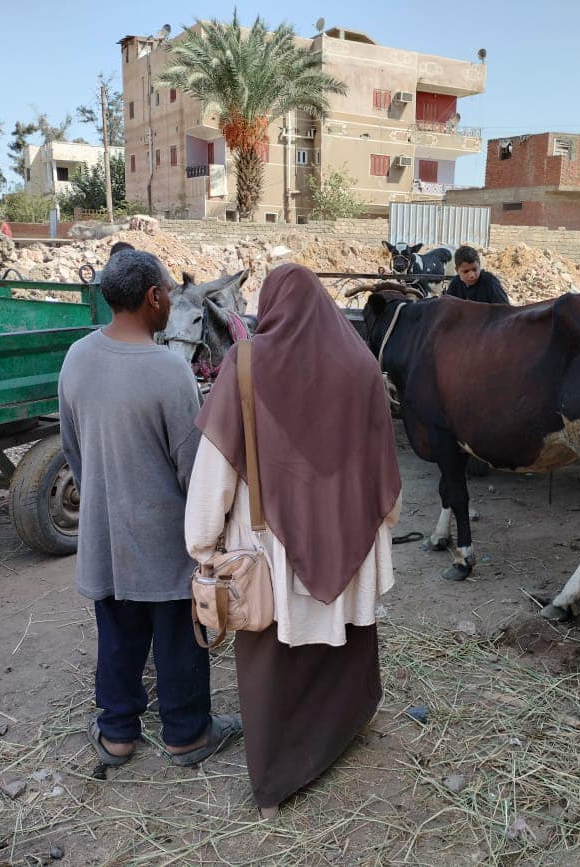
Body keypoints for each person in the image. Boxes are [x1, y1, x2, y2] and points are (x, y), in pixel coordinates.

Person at [185, 263, 401, 817]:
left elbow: (216, 467)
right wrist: (381, 521)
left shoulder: (247, 363)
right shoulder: (360, 364)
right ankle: (344, 729)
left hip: (272, 543)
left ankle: (277, 779)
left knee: (273, 658)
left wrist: (203, 544)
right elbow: (384, 459)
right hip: (349, 528)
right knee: (349, 640)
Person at [58, 250, 242, 767]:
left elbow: (73, 448)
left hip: (103, 532)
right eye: (166, 291)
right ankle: (186, 734)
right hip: (163, 538)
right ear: (154, 298)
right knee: (180, 637)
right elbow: (192, 466)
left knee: (116, 633)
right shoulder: (168, 370)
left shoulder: (76, 357)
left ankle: (117, 734)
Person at [444, 245, 509, 303]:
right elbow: (447, 306)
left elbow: (504, 309)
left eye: (474, 269)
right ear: (457, 270)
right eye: (466, 271)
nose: (471, 275)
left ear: (479, 266)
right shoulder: (456, 283)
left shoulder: (490, 282)